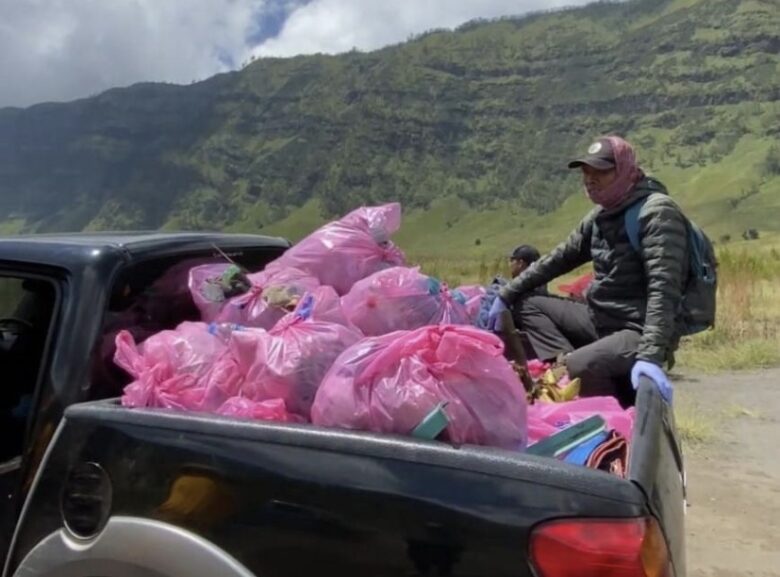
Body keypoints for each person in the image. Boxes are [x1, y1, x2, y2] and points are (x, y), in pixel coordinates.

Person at [488, 135, 686, 406]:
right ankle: (561, 373)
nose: (590, 179)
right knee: (527, 303)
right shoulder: (601, 216)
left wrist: (651, 354)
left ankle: (606, 407)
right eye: (586, 172)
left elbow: (664, 291)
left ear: (625, 170)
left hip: (637, 328)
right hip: (601, 318)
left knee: (581, 367)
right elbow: (558, 258)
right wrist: (506, 295)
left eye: (601, 171)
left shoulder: (657, 213)